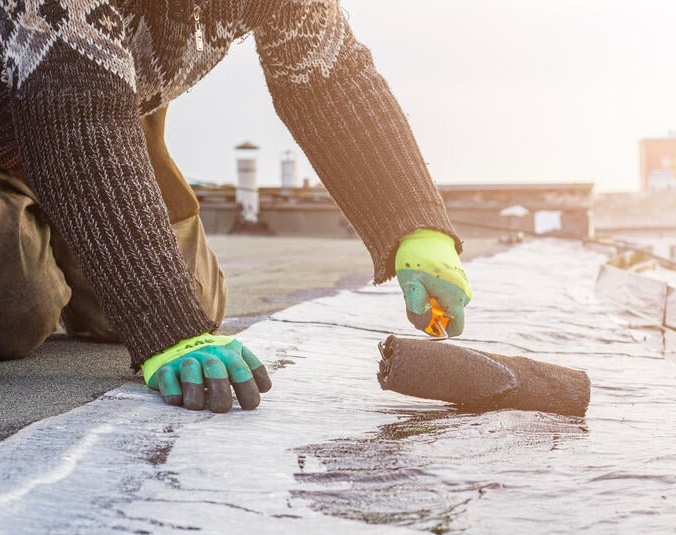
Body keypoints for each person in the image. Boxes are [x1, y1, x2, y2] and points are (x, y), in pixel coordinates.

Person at [0, 1, 472, 413]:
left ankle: (71, 230)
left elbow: (330, 75)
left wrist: (416, 228)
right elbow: (71, 108)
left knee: (195, 300)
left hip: (113, 129)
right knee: (18, 313)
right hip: (44, 126)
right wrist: (169, 328)